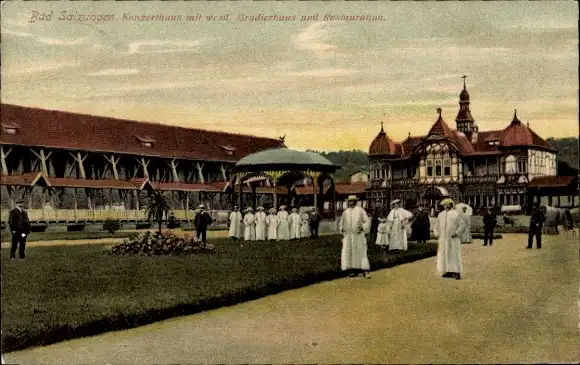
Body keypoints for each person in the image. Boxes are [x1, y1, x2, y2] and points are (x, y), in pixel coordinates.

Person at [433, 198, 466, 280]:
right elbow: (435, 226)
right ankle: (448, 271)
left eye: (448, 205)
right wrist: (436, 234)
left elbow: (462, 225)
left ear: (451, 205)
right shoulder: (441, 215)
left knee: (454, 255)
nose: (446, 206)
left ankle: (457, 272)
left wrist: (457, 233)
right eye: (444, 205)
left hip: (453, 239)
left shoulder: (456, 214)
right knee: (445, 255)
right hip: (443, 239)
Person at [340, 195, 371, 278]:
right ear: (348, 202)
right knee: (350, 253)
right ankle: (353, 270)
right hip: (348, 236)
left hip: (358, 235)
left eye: (354, 201)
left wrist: (363, 227)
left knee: (361, 252)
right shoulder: (345, 212)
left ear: (356, 202)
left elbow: (367, 221)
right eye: (350, 201)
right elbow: (341, 223)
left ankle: (365, 270)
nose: (352, 203)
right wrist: (342, 229)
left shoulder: (361, 210)